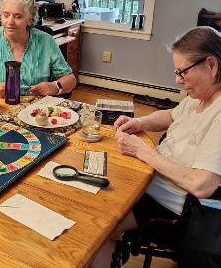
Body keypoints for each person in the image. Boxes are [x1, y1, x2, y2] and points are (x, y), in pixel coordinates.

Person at [91, 26, 221, 267]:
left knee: (94, 229)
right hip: (151, 184)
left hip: (173, 209)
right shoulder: (202, 97)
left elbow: (202, 185)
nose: (178, 80)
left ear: (211, 65)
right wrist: (138, 122)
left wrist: (141, 150)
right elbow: (172, 115)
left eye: (183, 72)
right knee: (92, 187)